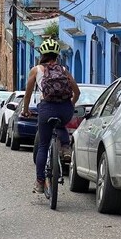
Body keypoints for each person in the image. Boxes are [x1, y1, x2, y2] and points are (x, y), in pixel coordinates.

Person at [21, 39, 80, 194]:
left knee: (43, 145)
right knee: (60, 124)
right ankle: (66, 148)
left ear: (42, 54)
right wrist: (70, 105)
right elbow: (77, 92)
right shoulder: (64, 69)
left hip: (46, 109)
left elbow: (27, 95)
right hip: (65, 108)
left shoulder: (36, 70)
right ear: (57, 55)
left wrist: (25, 110)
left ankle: (40, 182)